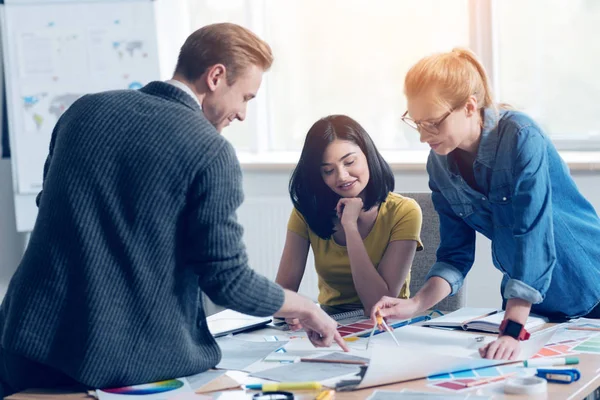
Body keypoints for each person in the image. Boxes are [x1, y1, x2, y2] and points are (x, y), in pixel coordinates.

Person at [0, 23, 346, 397]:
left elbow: (50, 205)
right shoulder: (209, 150)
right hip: (111, 366)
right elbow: (227, 279)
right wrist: (305, 307)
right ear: (216, 76)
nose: (243, 114)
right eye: (245, 97)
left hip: (26, 340)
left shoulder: (84, 110)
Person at [372, 47, 600, 360]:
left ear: (469, 106)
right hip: (533, 302)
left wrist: (512, 329)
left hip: (587, 281)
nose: (424, 137)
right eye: (417, 123)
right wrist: (415, 304)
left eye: (434, 123)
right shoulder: (439, 164)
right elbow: (454, 255)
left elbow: (531, 236)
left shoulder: (521, 136)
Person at [275, 115, 423, 329]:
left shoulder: (405, 211)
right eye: (328, 170)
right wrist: (296, 311)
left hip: (386, 327)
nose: (342, 176)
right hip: (329, 323)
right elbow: (282, 295)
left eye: (349, 162)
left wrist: (350, 227)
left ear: (368, 155)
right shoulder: (306, 213)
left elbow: (377, 306)